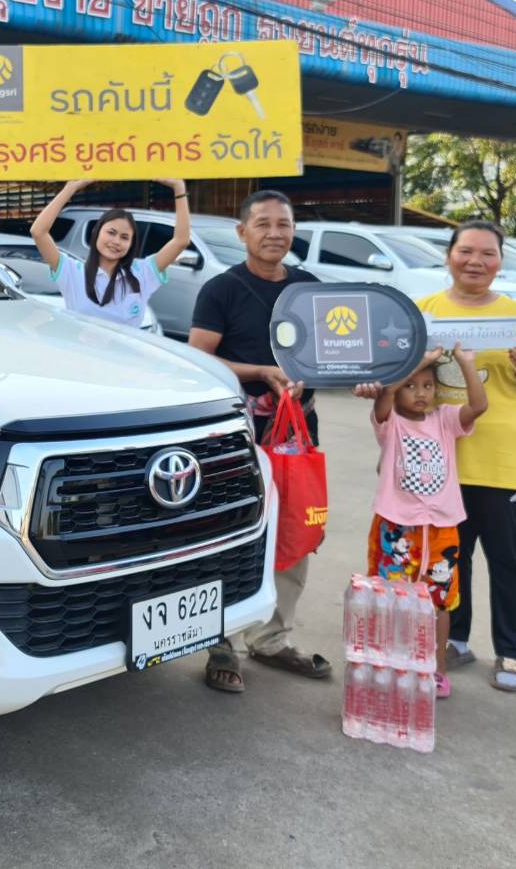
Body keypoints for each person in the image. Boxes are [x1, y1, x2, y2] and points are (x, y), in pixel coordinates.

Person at [187, 189, 328, 692]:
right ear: (242, 232)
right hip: (239, 435)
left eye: (283, 224)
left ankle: (271, 639)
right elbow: (200, 356)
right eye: (263, 224)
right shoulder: (221, 290)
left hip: (297, 430)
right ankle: (222, 643)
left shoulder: (310, 289)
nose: (274, 233)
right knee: (231, 533)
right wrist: (262, 371)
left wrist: (320, 375)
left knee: (294, 530)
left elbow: (331, 350)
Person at [417, 220, 516, 692]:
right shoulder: (423, 313)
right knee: (449, 560)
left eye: (487, 254)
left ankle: (510, 651)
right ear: (448, 256)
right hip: (439, 461)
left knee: (507, 562)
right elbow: (405, 385)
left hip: (503, 460)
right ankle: (455, 640)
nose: (475, 261)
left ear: (500, 262)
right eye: (465, 251)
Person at [353, 341, 488, 698]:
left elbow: (478, 406)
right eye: (411, 385)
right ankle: (389, 665)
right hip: (396, 528)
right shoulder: (390, 422)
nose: (421, 393)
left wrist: (466, 361)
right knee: (390, 597)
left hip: (442, 528)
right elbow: (386, 396)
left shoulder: (445, 420)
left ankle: (437, 670)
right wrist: (418, 363)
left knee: (440, 601)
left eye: (428, 385)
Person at [29, 179, 190, 327]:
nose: (116, 241)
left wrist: (179, 188)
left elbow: (181, 241)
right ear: (96, 232)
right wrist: (70, 188)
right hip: (79, 349)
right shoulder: (71, 272)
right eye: (111, 233)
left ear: (131, 244)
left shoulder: (143, 272)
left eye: (124, 237)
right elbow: (38, 232)